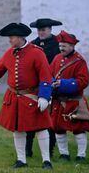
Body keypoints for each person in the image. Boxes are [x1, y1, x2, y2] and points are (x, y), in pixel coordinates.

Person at [0, 22, 54, 169]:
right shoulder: (9, 53)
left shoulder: (37, 53)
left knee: (40, 128)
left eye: (11, 37)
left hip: (32, 97)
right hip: (14, 98)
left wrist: (44, 96)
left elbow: (46, 77)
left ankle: (46, 161)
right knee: (17, 129)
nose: (9, 40)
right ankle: (21, 161)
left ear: (20, 37)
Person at [50, 30, 89, 162]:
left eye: (64, 46)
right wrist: (52, 84)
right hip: (58, 101)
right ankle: (64, 154)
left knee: (78, 129)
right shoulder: (56, 58)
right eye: (60, 46)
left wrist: (63, 84)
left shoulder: (79, 61)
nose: (61, 48)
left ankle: (81, 156)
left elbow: (83, 81)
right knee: (58, 129)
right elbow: (50, 75)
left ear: (72, 46)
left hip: (74, 101)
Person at [25, 18, 62, 158]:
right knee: (30, 119)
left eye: (43, 30)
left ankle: (50, 151)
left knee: (49, 121)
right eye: (39, 30)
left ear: (50, 30)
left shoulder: (58, 44)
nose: (41, 32)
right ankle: (28, 150)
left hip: (51, 85)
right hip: (34, 87)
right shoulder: (33, 45)